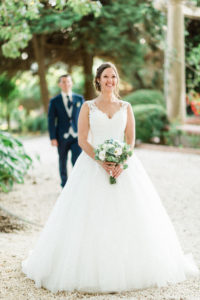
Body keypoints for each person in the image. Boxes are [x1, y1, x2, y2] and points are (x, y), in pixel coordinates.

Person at [22, 62, 199, 293]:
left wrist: (121, 162)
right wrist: (101, 160)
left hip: (124, 168)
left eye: (113, 76)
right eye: (105, 76)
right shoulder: (87, 106)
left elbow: (130, 140)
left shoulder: (126, 107)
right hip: (93, 166)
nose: (110, 81)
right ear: (98, 80)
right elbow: (83, 139)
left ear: (117, 80)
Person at [48, 74, 84, 187]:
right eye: (63, 82)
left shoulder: (79, 99)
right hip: (61, 137)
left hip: (76, 136)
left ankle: (76, 184)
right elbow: (51, 120)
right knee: (62, 161)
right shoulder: (54, 101)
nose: (66, 84)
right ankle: (64, 184)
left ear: (71, 83)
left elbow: (85, 117)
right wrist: (53, 137)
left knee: (77, 161)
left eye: (68, 81)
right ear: (59, 84)